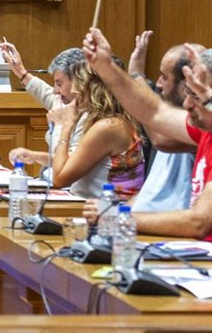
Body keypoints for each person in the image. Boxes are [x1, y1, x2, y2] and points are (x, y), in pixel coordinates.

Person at [80, 31, 212, 239]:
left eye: (196, 96)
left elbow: (199, 223)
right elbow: (154, 113)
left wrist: (117, 217)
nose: (187, 104)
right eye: (188, 93)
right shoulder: (204, 130)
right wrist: (105, 66)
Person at [46, 61, 145, 199]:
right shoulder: (115, 121)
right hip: (99, 205)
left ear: (92, 88)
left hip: (108, 209)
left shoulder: (107, 127)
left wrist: (65, 126)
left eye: (78, 82)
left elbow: (59, 179)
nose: (73, 91)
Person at [126, 32, 199, 213]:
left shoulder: (203, 122)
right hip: (147, 220)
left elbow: (161, 138)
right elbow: (154, 191)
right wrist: (115, 210)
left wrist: (136, 76)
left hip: (174, 225)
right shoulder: (173, 111)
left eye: (164, 77)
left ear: (186, 83)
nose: (158, 84)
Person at [1, 44, 87, 184]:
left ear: (79, 82)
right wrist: (21, 72)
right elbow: (46, 94)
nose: (55, 90)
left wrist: (59, 126)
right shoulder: (71, 104)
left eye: (59, 84)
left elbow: (64, 166)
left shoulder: (92, 117)